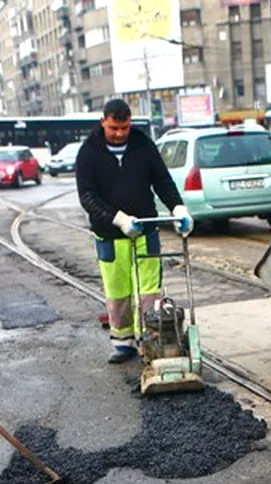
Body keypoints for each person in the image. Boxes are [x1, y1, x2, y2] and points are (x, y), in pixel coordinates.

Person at [76, 99, 192, 363]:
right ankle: (123, 341)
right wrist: (118, 219)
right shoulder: (89, 152)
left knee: (150, 290)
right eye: (114, 128)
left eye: (124, 128)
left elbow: (162, 180)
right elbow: (87, 196)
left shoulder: (143, 146)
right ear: (103, 122)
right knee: (118, 290)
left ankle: (151, 338)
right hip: (109, 233)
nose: (119, 133)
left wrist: (178, 208)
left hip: (145, 229)